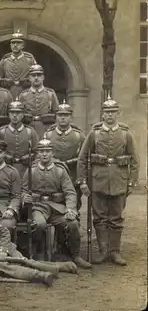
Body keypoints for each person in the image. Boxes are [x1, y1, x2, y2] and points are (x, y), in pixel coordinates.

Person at [77, 96, 139, 266]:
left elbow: (134, 159)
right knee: (100, 217)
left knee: (116, 217)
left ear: (117, 113)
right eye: (106, 112)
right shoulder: (94, 133)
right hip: (98, 181)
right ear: (102, 115)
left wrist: (131, 182)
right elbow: (82, 159)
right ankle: (103, 251)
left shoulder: (126, 134)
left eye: (113, 112)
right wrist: (82, 181)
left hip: (119, 181)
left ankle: (115, 252)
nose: (110, 115)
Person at [22, 139, 91, 268]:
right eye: (41, 151)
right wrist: (25, 198)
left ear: (52, 153)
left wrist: (70, 209)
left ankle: (75, 255)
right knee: (39, 224)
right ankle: (40, 253)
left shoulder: (60, 171)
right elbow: (23, 191)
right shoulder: (31, 171)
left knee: (73, 223)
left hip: (57, 208)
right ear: (37, 154)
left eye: (47, 151)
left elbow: (70, 192)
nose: (44, 154)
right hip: (38, 207)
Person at [43, 100, 85, 211]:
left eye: (66, 115)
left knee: (74, 201)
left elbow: (84, 157)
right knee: (56, 202)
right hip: (54, 173)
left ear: (71, 117)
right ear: (56, 117)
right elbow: (42, 154)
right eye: (60, 115)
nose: (62, 118)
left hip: (72, 173)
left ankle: (74, 220)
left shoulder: (78, 135)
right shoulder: (48, 134)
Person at [0, 100, 39, 177]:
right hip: (6, 171)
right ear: (8, 114)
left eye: (18, 113)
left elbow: (37, 152)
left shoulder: (30, 132)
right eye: (12, 113)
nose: (14, 115)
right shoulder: (2, 132)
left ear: (22, 115)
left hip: (26, 171)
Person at [18, 64, 60, 138]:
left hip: (46, 129)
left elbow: (57, 113)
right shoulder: (24, 94)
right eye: (33, 75)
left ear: (43, 77)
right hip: (28, 129)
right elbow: (19, 115)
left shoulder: (50, 93)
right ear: (29, 78)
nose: (36, 78)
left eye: (39, 75)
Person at [0, 29, 36, 99]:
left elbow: (36, 77)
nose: (15, 45)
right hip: (8, 94)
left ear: (23, 46)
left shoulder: (29, 60)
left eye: (18, 43)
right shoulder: (5, 60)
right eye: (13, 43)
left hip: (26, 93)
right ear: (10, 45)